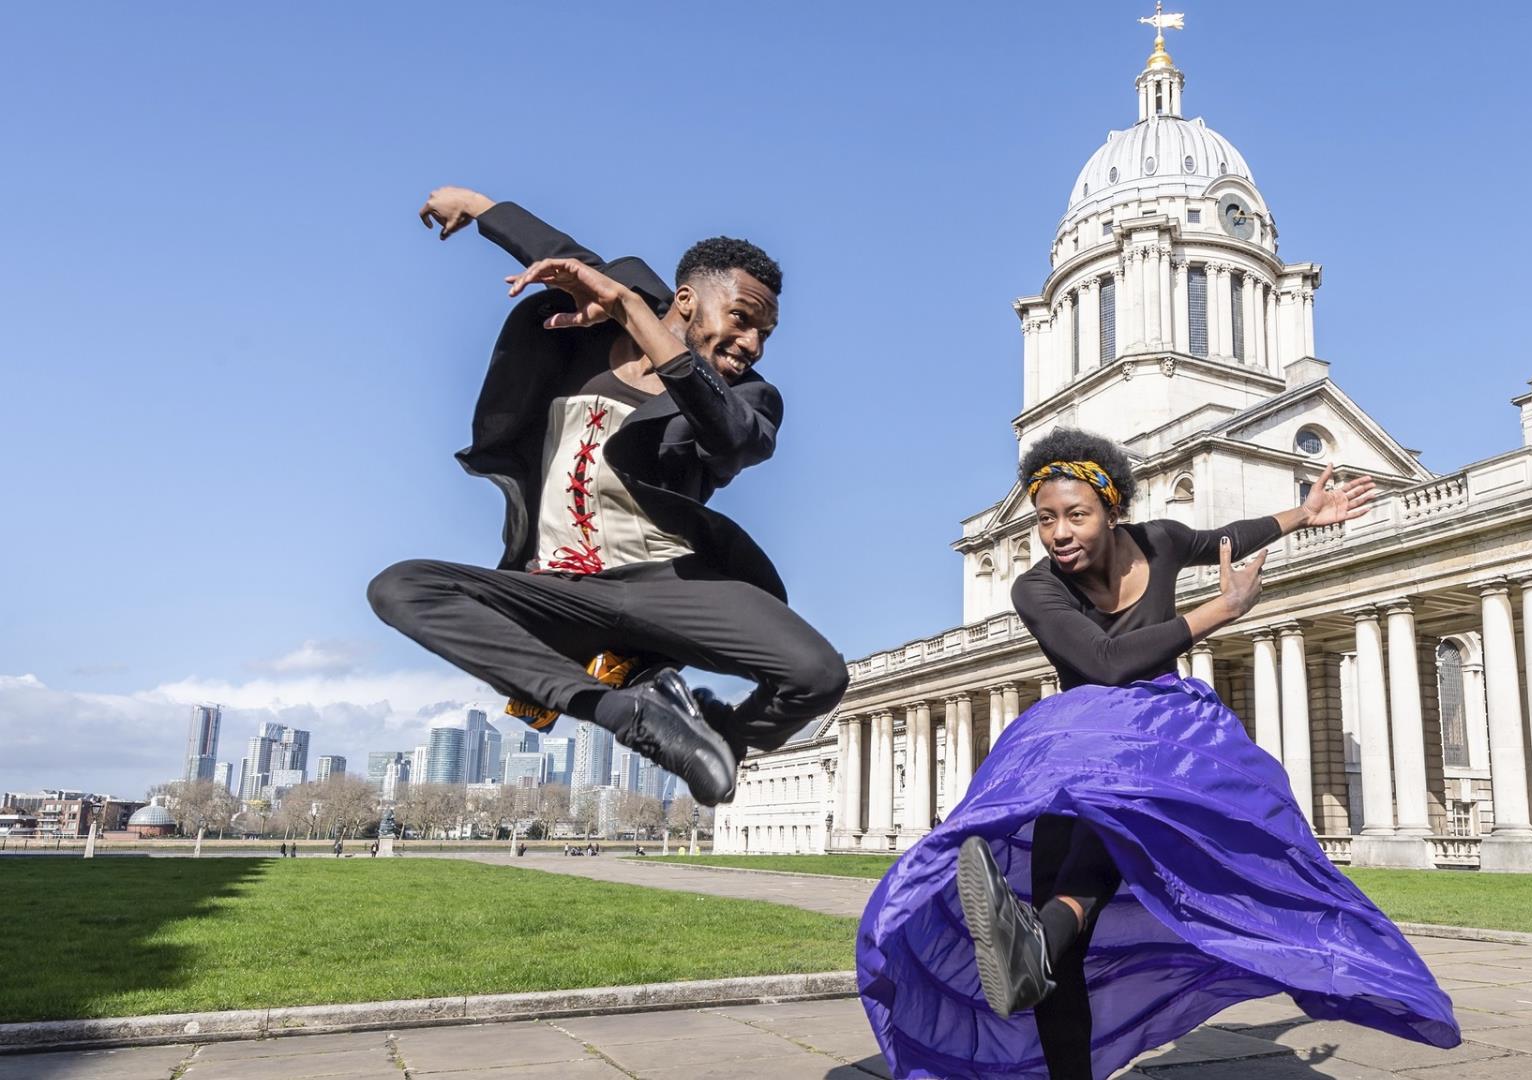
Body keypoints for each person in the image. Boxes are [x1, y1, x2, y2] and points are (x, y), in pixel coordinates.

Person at [857, 428, 1460, 1079]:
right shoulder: (1035, 589)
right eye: (1045, 519)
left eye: (1076, 515)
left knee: (1122, 807)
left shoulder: (1162, 541)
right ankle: (1045, 946)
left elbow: (1227, 537)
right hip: (1078, 747)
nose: (1058, 532)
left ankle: (1043, 934)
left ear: (1113, 509)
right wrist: (1223, 609)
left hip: (1167, 745)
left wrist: (1303, 514)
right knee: (1061, 956)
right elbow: (1105, 662)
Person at [368, 187, 848, 805]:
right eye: (742, 319)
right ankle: (624, 713)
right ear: (685, 301)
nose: (752, 344)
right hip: (560, 589)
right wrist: (479, 206)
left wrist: (633, 313)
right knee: (400, 586)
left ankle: (712, 734)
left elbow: (730, 437)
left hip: (671, 583)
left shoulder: (750, 397)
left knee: (818, 675)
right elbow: (558, 252)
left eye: (765, 333)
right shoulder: (596, 325)